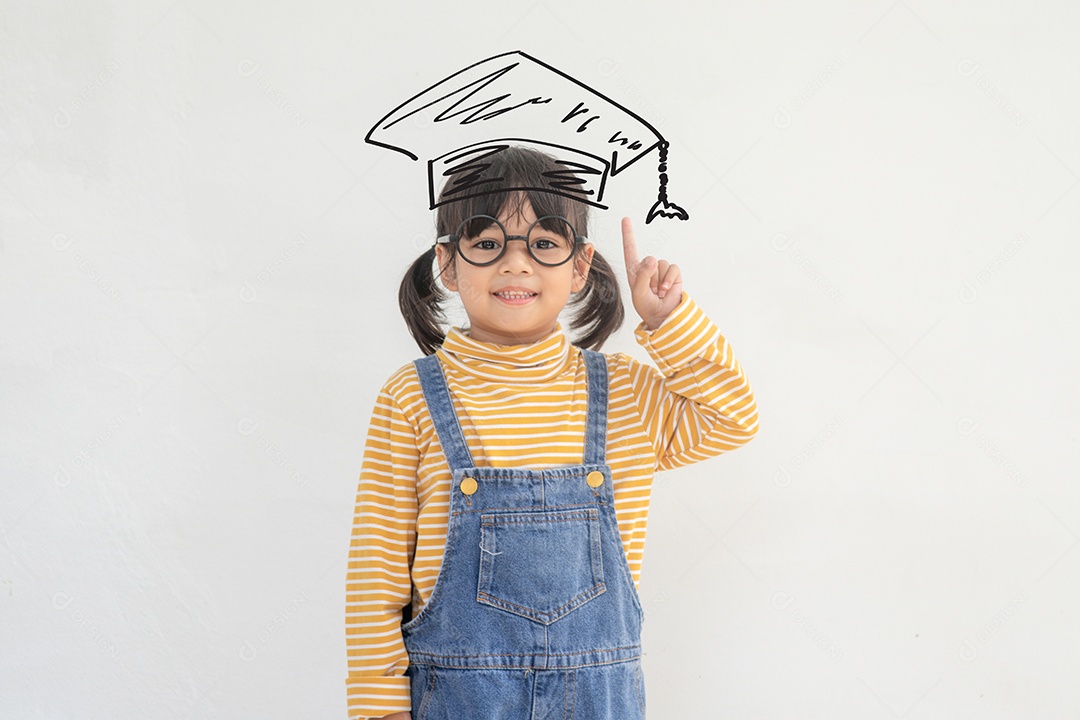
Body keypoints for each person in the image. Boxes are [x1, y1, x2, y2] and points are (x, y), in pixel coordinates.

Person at [345, 146, 759, 719]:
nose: (516, 264)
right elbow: (377, 566)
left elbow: (732, 418)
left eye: (544, 243)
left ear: (581, 265)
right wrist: (378, 707)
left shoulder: (627, 394)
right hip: (459, 700)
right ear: (446, 263)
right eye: (486, 243)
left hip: (598, 699)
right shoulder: (411, 395)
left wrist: (668, 323)